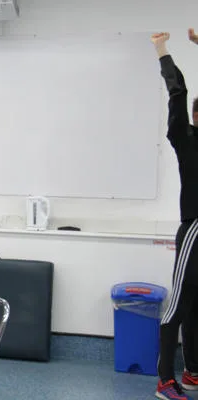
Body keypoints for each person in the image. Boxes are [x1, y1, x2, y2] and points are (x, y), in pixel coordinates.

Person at [152, 29, 198, 400]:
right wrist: (163, 50)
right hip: (195, 229)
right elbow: (178, 91)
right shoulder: (185, 137)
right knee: (180, 303)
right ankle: (165, 379)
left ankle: (194, 370)